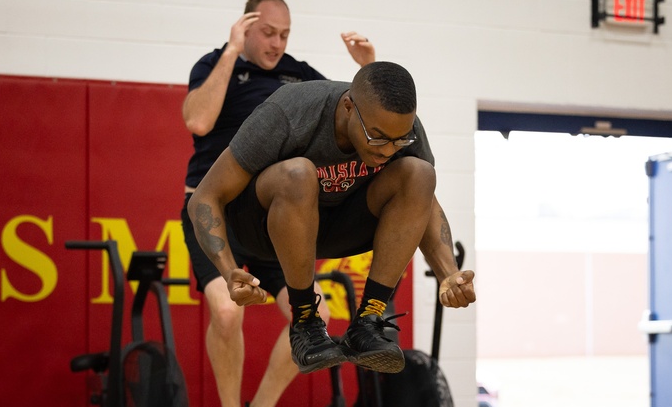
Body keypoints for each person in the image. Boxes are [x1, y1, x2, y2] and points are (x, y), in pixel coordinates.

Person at [180, 0, 375, 407]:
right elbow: (198, 121)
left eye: (284, 34)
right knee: (226, 310)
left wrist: (367, 69)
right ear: (246, 27)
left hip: (268, 216)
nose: (276, 43)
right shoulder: (214, 64)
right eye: (267, 32)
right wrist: (229, 51)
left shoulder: (298, 73)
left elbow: (356, 113)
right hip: (217, 210)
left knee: (319, 318)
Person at [188, 60, 476, 383]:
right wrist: (228, 271)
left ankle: (368, 320)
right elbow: (203, 198)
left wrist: (447, 273)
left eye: (399, 140)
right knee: (299, 174)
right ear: (349, 107)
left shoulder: (402, 131)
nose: (388, 150)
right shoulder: (289, 111)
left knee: (421, 174)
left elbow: (425, 202)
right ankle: (305, 322)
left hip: (333, 227)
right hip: (261, 227)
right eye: (378, 138)